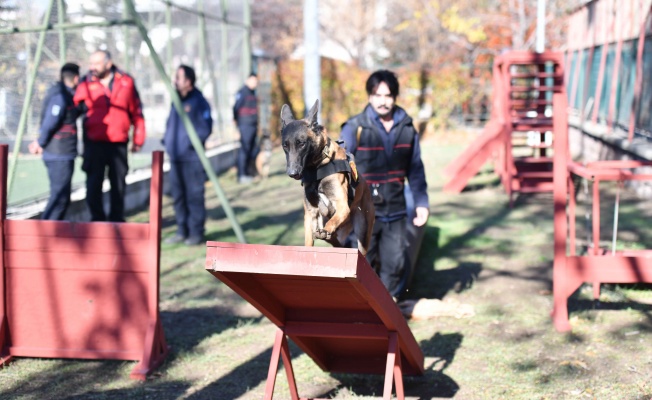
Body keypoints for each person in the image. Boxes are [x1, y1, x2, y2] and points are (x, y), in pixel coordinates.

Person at [340, 69, 429, 300]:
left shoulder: (407, 128)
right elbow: (340, 169)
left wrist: (421, 202)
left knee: (394, 266)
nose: (382, 101)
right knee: (363, 267)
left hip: (397, 211)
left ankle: (390, 318)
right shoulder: (354, 128)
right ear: (370, 96)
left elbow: (415, 168)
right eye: (377, 95)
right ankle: (364, 318)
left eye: (387, 96)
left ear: (395, 96)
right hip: (363, 213)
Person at [73, 50, 146, 222]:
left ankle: (116, 221)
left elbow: (137, 112)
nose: (92, 67)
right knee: (93, 186)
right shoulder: (85, 82)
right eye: (91, 63)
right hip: (94, 143)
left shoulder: (126, 81)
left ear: (108, 63)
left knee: (118, 185)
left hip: (118, 143)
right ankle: (97, 221)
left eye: (96, 63)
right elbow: (73, 108)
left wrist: (138, 138)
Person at [162, 65, 213, 246]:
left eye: (179, 78)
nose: (175, 81)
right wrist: (166, 141)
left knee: (194, 195)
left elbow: (206, 127)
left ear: (189, 81)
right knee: (178, 196)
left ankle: (196, 232)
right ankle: (181, 230)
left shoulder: (199, 102)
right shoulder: (176, 101)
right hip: (176, 158)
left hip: (192, 158)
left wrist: (191, 143)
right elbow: (171, 123)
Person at [28, 63, 81, 220]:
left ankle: (52, 233)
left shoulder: (67, 94)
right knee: (59, 198)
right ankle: (46, 234)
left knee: (62, 197)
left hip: (62, 153)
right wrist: (40, 142)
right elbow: (50, 122)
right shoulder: (60, 96)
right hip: (59, 154)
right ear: (76, 78)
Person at [232, 73, 258, 183]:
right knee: (244, 150)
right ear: (248, 80)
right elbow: (235, 109)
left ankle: (248, 173)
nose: (255, 84)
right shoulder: (242, 92)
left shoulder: (252, 93)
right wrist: (236, 127)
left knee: (251, 150)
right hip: (244, 126)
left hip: (252, 126)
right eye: (253, 81)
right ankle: (241, 174)